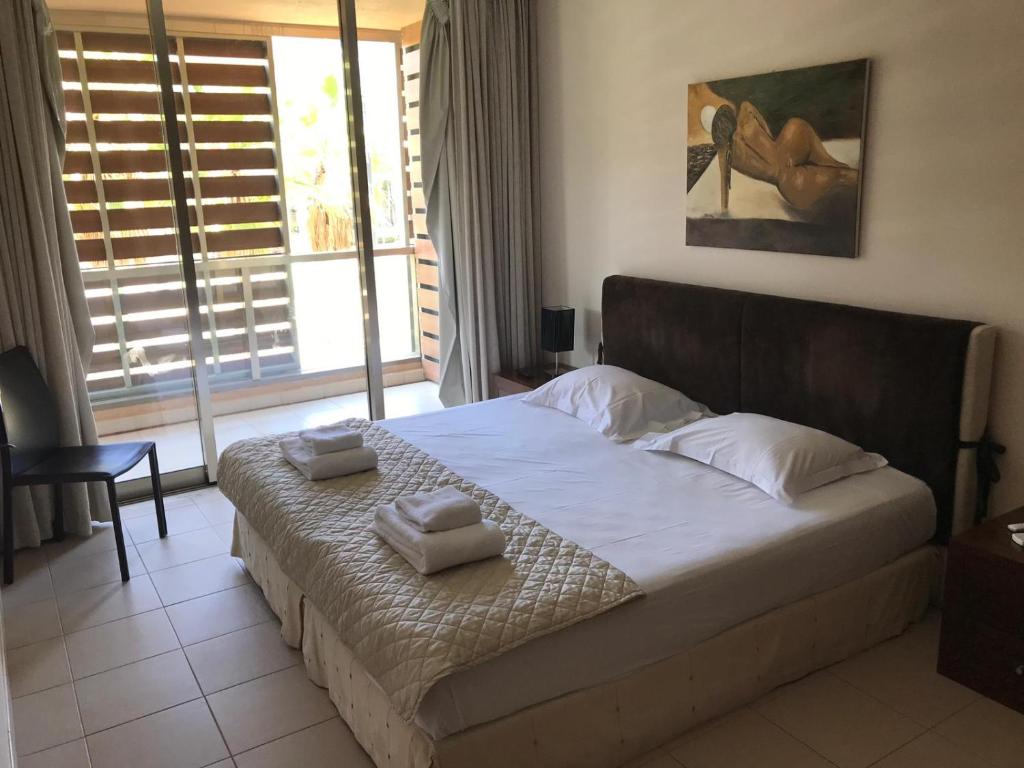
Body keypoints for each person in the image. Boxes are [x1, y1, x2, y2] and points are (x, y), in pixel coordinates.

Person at [708, 102, 858, 213]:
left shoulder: (727, 153)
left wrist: (723, 211)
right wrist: (775, 148)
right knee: (837, 169)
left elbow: (724, 186)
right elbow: (766, 131)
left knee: (840, 175)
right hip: (787, 155)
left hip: (788, 179)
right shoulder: (745, 111)